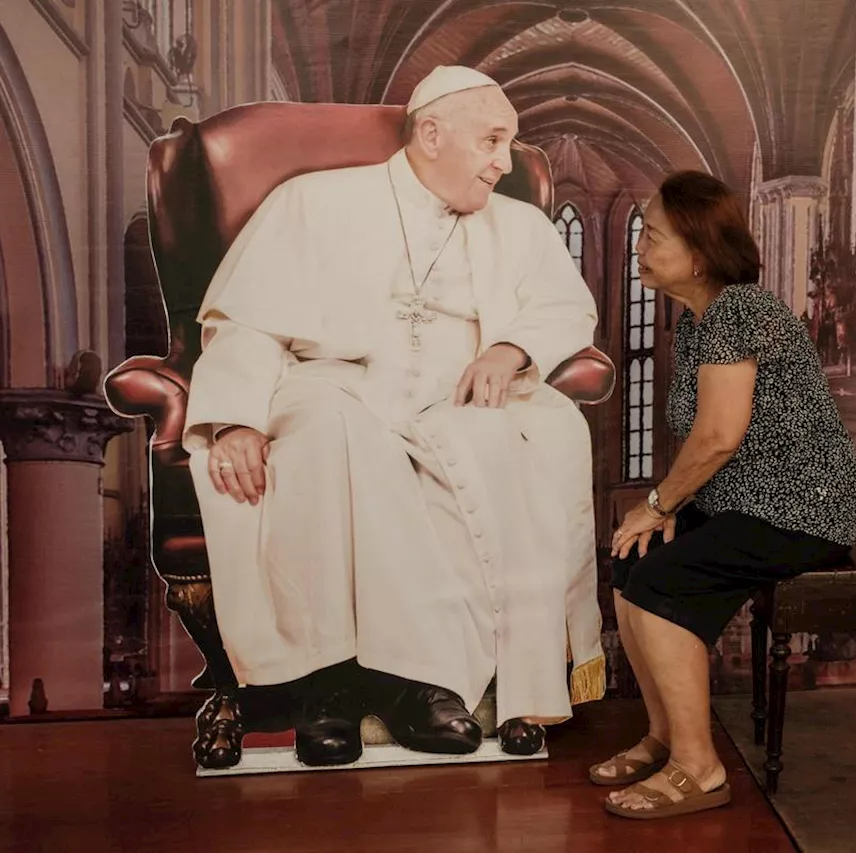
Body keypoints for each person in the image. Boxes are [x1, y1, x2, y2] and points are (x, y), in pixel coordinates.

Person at [181, 65, 604, 764]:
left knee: (508, 447)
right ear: (431, 134)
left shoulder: (521, 227)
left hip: (454, 398)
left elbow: (563, 305)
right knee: (327, 431)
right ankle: (331, 688)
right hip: (335, 384)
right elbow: (247, 320)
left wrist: (510, 346)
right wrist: (235, 420)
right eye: (493, 141)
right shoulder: (312, 203)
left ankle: (426, 684)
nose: (506, 163)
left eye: (510, 144)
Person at [590, 170, 856, 819]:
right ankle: (665, 736)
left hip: (802, 505)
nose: (641, 247)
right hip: (743, 503)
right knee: (630, 563)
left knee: (659, 577)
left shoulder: (739, 310)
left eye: (652, 235)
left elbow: (717, 436)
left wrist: (657, 504)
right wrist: (661, 512)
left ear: (699, 249)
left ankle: (701, 767)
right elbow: (713, 446)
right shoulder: (695, 323)